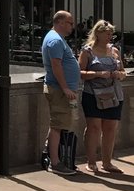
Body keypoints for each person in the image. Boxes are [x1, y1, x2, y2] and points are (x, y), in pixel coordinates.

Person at [78, 20, 127, 175]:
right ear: (97, 33)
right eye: (107, 33)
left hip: (113, 95)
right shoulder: (87, 51)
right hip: (93, 95)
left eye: (111, 33)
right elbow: (80, 73)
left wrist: (119, 74)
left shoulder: (114, 50)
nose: (109, 36)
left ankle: (107, 162)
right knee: (94, 127)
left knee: (110, 128)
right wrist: (98, 74)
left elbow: (123, 71)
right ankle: (91, 162)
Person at [41, 10, 81, 176]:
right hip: (59, 90)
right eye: (70, 23)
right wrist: (65, 87)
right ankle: (55, 162)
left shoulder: (57, 39)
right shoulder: (55, 40)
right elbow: (56, 65)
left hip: (61, 89)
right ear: (61, 22)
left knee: (58, 123)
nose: (72, 26)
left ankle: (49, 154)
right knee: (58, 125)